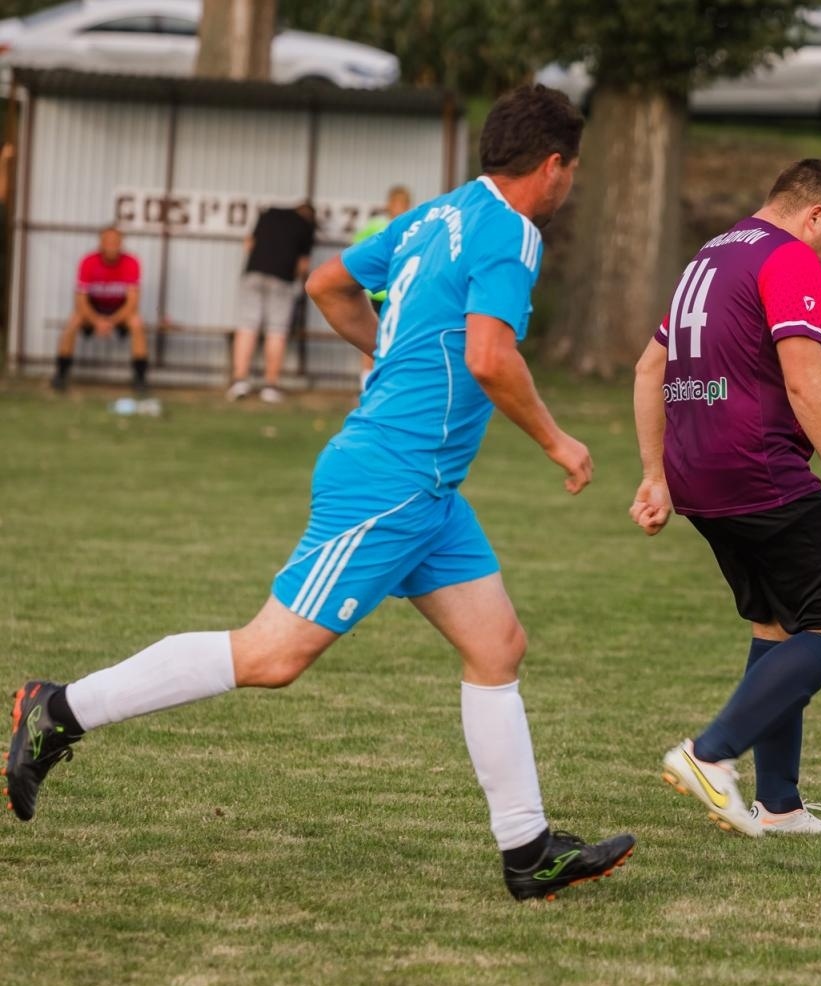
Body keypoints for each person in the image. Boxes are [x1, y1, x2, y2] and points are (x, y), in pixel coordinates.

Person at [7, 86, 634, 902]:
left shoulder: (437, 214)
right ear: (552, 166)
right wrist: (558, 440)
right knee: (271, 655)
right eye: (572, 170)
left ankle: (528, 851)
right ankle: (59, 709)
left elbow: (328, 283)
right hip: (391, 479)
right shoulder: (513, 232)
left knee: (497, 646)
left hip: (428, 492)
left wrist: (393, 352)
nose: (569, 184)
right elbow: (489, 355)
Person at [631, 159, 821, 838]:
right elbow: (805, 377)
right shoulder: (789, 256)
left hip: (698, 475)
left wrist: (655, 474)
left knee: (777, 626)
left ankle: (781, 805)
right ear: (815, 215)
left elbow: (650, 367)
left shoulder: (710, 255)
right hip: (759, 470)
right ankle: (709, 753)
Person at [225, 202, 317, 403]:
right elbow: (303, 265)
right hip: (282, 278)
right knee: (277, 330)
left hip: (254, 273)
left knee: (247, 326)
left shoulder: (269, 215)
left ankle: (239, 381)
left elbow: (249, 244)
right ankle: (270, 386)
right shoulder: (306, 225)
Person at [52, 226, 149, 392]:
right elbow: (81, 300)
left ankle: (140, 378)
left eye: (115, 242)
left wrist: (111, 321)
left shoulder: (131, 262)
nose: (112, 246)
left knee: (137, 323)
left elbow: (132, 302)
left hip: (119, 311)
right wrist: (96, 321)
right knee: (73, 322)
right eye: (108, 242)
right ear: (100, 243)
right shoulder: (88, 261)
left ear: (121, 244)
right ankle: (61, 374)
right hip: (93, 310)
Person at [351, 185, 413, 388]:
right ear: (389, 205)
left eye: (404, 204)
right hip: (377, 293)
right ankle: (366, 381)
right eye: (396, 204)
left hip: (400, 293)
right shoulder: (376, 225)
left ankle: (392, 381)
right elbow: (357, 250)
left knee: (398, 337)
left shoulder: (414, 225)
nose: (400, 208)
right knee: (373, 336)